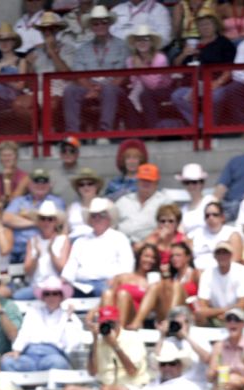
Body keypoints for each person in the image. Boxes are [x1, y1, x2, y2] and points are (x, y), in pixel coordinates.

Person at [62, 306, 150, 390]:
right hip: (104, 388)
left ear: (118, 321)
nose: (109, 327)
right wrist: (94, 339)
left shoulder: (133, 338)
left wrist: (115, 345)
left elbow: (132, 371)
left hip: (132, 389)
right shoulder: (99, 342)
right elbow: (92, 372)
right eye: (105, 324)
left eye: (111, 323)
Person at [61, 6, 129, 134]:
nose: (100, 26)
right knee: (70, 90)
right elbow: (79, 75)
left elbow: (122, 75)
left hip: (113, 87)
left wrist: (102, 88)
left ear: (109, 24)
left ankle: (104, 132)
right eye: (96, 23)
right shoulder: (82, 49)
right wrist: (92, 89)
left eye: (104, 22)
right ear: (91, 26)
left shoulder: (122, 45)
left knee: (109, 90)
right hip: (89, 87)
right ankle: (72, 133)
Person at [101, 343, 205, 390]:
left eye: (172, 363)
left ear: (180, 365)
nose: (167, 367)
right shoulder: (151, 386)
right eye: (163, 364)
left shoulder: (190, 389)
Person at [172, 8, 236, 127]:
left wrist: (217, 83)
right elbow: (176, 65)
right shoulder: (192, 43)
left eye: (208, 24)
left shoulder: (224, 43)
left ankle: (205, 126)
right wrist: (184, 54)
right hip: (192, 85)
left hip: (215, 84)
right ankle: (203, 124)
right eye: (201, 25)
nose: (204, 27)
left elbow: (230, 69)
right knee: (177, 96)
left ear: (215, 25)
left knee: (215, 97)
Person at [62, 198, 136, 298]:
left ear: (109, 218)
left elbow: (127, 265)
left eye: (102, 215)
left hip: (107, 283)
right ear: (89, 220)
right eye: (93, 216)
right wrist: (64, 280)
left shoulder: (119, 238)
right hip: (80, 284)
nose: (97, 218)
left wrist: (117, 279)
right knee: (56, 292)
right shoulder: (80, 241)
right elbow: (71, 265)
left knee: (107, 291)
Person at [1, 276, 77, 372]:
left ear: (61, 296)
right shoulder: (33, 312)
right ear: (43, 297)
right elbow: (24, 333)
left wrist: (69, 318)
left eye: (55, 293)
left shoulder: (69, 316)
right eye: (47, 294)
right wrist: (17, 350)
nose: (51, 297)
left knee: (59, 363)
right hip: (29, 355)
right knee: (7, 362)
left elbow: (73, 344)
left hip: (53, 355)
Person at [3, 168, 65, 264]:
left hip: (44, 249)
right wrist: (36, 222)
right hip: (16, 251)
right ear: (29, 184)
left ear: (49, 185)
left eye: (44, 182)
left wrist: (23, 216)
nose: (40, 185)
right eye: (36, 181)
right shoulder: (19, 201)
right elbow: (6, 218)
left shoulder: (56, 201)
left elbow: (58, 222)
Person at [123, 24, 173, 130]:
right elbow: (134, 82)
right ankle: (135, 135)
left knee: (146, 95)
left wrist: (140, 68)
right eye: (138, 40)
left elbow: (153, 85)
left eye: (145, 39)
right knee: (129, 99)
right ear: (135, 43)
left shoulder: (160, 58)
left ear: (151, 42)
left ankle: (154, 131)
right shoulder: (130, 60)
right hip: (142, 89)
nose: (142, 43)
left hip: (163, 90)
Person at [15, 202, 70, 299]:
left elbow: (63, 269)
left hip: (56, 287)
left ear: (55, 222)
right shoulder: (32, 241)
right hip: (36, 286)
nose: (46, 222)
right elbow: (27, 271)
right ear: (38, 221)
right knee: (17, 296)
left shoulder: (63, 239)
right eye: (43, 218)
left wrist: (51, 252)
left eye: (50, 219)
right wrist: (37, 256)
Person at [153, 306, 211, 390]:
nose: (179, 327)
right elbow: (156, 360)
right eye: (176, 323)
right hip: (171, 386)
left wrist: (186, 337)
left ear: (189, 323)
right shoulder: (169, 341)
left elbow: (207, 359)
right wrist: (162, 335)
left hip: (196, 386)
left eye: (183, 323)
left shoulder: (199, 338)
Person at [207, 307, 244, 390]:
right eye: (229, 320)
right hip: (221, 387)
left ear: (243, 324)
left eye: (236, 320)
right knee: (222, 385)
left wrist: (240, 381)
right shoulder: (219, 346)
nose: (232, 322)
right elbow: (209, 376)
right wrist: (217, 372)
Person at [105, 243, 159, 329]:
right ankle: (106, 324)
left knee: (123, 294)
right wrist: (92, 312)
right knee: (107, 293)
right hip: (114, 315)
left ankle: (120, 330)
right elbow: (109, 297)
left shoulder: (154, 282)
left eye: (153, 258)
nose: (149, 260)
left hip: (134, 316)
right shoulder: (122, 277)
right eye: (146, 256)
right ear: (139, 257)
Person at [115, 164, 169, 244]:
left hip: (150, 248)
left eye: (149, 181)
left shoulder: (164, 202)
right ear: (137, 181)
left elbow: (167, 228)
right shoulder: (123, 201)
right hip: (121, 245)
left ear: (156, 183)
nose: (146, 184)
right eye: (143, 180)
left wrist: (145, 244)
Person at [192, 202, 243, 273]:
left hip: (222, 274)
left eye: (215, 215)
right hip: (197, 273)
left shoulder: (232, 234)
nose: (210, 218)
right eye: (207, 216)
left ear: (222, 217)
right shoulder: (197, 234)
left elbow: (235, 261)